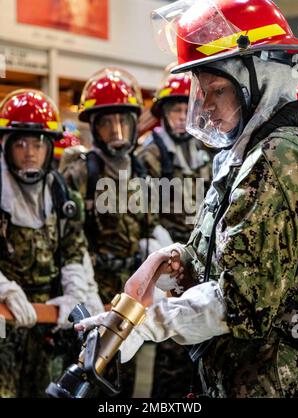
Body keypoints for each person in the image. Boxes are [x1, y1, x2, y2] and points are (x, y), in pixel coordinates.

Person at [77, 0, 298, 398]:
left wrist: (144, 323)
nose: (206, 105)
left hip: (269, 381)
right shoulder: (245, 153)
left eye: (218, 89)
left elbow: (241, 302)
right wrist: (177, 259)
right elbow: (221, 253)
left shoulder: (275, 156)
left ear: (259, 79)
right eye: (202, 89)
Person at [61, 67, 169, 397]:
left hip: (130, 290)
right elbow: (69, 240)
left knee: (125, 374)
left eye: (123, 120)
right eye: (107, 122)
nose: (117, 130)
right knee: (86, 374)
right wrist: (83, 291)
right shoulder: (80, 170)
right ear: (94, 126)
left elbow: (149, 222)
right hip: (93, 288)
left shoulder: (141, 167)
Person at [0, 89, 102, 397]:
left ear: (49, 148)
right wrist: (3, 287)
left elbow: (74, 252)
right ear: (5, 146)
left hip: (47, 325)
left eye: (37, 144)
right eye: (20, 143)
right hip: (4, 319)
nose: (30, 152)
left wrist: (75, 296)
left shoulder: (62, 196)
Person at [137, 68, 213, 397]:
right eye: (175, 110)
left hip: (197, 255)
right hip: (165, 254)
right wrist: (162, 248)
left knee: (196, 342)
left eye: (186, 109)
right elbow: (141, 213)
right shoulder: (149, 153)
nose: (182, 117)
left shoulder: (205, 148)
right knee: (169, 340)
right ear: (162, 114)